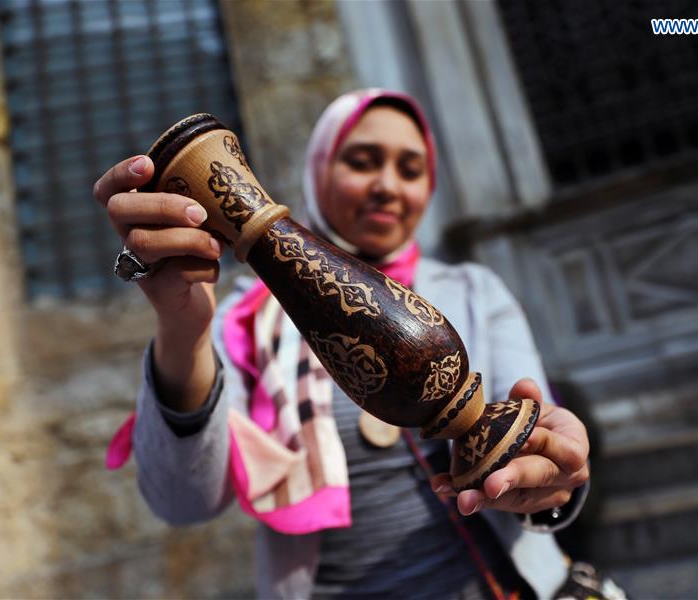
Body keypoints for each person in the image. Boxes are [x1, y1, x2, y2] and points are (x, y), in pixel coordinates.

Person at [94, 89, 591, 599]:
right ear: (319, 169)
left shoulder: (475, 292)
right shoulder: (241, 319)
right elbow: (183, 502)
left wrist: (550, 476)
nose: (387, 186)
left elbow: (539, 455)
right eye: (362, 161)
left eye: (410, 169)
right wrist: (182, 329)